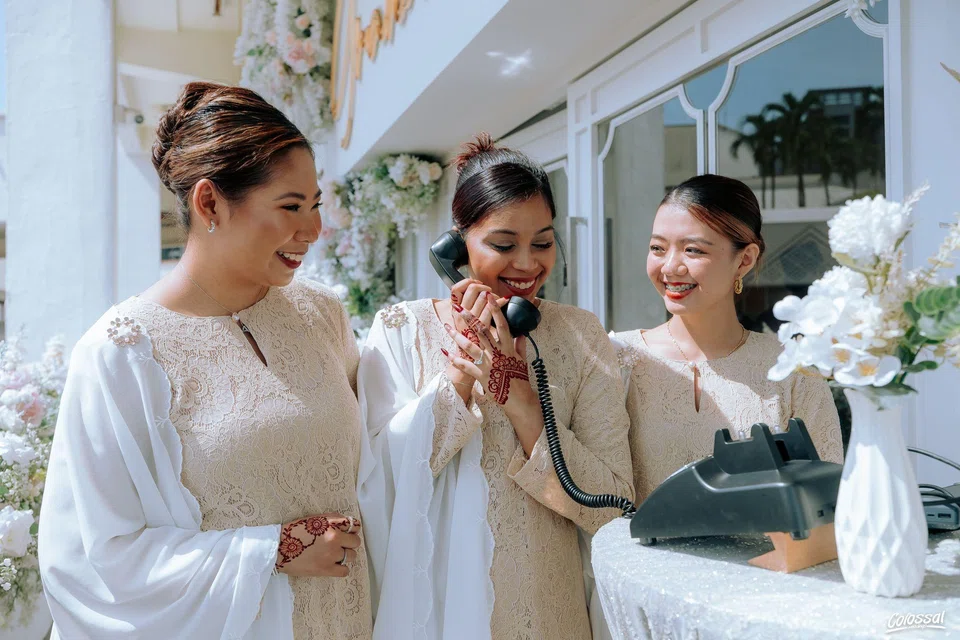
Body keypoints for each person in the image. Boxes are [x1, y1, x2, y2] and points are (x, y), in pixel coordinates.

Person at [38, 82, 372, 640]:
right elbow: (95, 561)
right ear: (210, 202)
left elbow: (381, 458)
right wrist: (274, 549)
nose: (312, 231)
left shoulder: (321, 315)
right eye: (290, 207)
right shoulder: (121, 355)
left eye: (315, 205)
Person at [356, 134, 633, 639]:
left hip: (548, 606)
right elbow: (376, 480)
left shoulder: (580, 334)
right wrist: (459, 380)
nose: (527, 265)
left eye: (544, 243)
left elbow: (613, 504)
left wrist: (522, 400)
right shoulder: (400, 328)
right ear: (457, 245)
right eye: (504, 245)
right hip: (438, 608)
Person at [611, 174, 844, 504]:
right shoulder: (618, 358)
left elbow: (826, 494)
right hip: (637, 555)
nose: (670, 267)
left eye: (692, 250)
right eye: (657, 248)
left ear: (744, 259)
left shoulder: (794, 369)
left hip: (763, 557)